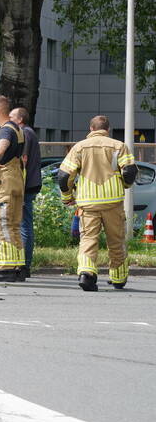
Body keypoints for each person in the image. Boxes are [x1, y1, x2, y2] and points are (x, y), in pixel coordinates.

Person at [57, 115, 137, 291]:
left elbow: (63, 176)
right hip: (113, 202)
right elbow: (130, 171)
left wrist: (67, 196)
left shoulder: (79, 148)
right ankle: (118, 277)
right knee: (116, 240)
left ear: (91, 129)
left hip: (88, 203)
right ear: (107, 129)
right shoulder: (118, 146)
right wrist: (124, 185)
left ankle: (86, 274)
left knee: (88, 239)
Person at [0, 96, 26, 282]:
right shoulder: (18, 129)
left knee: (3, 224)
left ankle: (6, 268)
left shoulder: (5, 131)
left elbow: (0, 149)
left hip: (4, 182)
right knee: (15, 225)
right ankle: (19, 266)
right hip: (16, 180)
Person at [10, 107, 41, 277]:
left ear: (20, 119)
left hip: (25, 186)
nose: (9, 119)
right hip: (29, 184)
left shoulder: (25, 134)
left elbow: (23, 163)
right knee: (24, 224)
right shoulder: (29, 133)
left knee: (23, 225)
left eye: (11, 117)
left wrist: (19, 189)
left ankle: (24, 265)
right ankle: (24, 263)